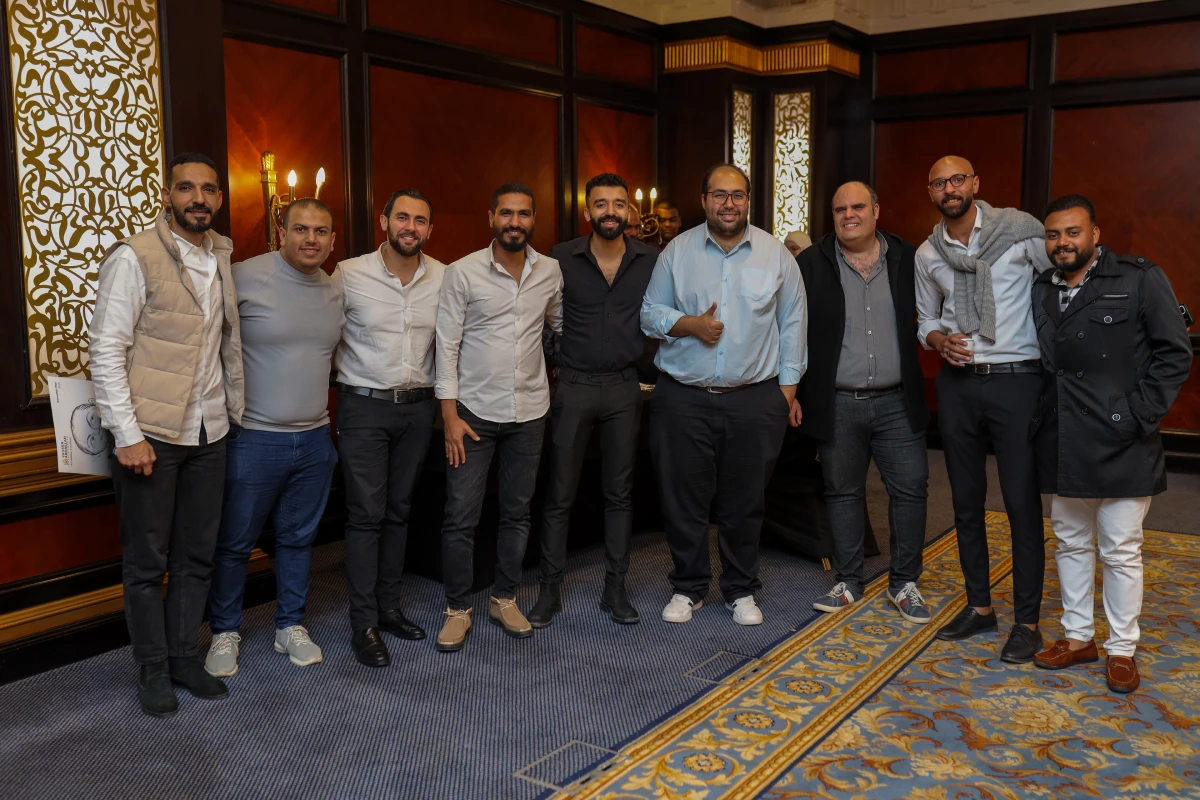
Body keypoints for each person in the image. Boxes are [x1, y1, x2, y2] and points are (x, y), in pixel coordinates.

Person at [90, 152, 241, 717]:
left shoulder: (222, 255)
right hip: (150, 433)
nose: (198, 198)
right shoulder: (134, 256)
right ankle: (152, 666)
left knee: (198, 554)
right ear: (166, 196)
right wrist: (126, 434)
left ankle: (182, 656)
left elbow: (223, 346)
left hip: (210, 430)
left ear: (219, 198)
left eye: (208, 189)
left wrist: (233, 413)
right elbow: (107, 349)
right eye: (186, 188)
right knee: (147, 562)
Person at [1029, 195, 1191, 692]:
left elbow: (1174, 353)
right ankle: (1078, 638)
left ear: (1095, 235)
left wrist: (1137, 415)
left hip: (1123, 438)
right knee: (1071, 542)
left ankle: (1122, 649)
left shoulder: (1139, 278)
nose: (1062, 243)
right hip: (1063, 437)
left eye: (1072, 232)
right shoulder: (1042, 286)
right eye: (1053, 235)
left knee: (1120, 549)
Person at [641, 164, 806, 627]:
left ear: (748, 200)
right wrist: (689, 325)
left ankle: (740, 589)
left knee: (745, 501)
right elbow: (649, 314)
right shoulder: (677, 252)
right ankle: (688, 587)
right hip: (683, 397)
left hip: (754, 399)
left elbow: (793, 327)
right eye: (719, 195)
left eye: (737, 195)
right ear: (704, 200)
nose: (728, 203)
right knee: (683, 499)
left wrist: (785, 393)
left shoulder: (776, 255)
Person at [915, 155, 1053, 664]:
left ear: (975, 182)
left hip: (1018, 381)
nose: (949, 188)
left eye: (957, 179)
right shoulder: (928, 252)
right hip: (958, 384)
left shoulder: (1020, 232)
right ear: (931, 192)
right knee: (966, 501)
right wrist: (938, 340)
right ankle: (980, 607)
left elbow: (1059, 282)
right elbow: (925, 318)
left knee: (1020, 502)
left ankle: (1027, 622)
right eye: (939, 183)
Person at [204, 198, 344, 678]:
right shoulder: (243, 277)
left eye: (320, 231)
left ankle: (290, 625)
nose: (311, 239)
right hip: (254, 438)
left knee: (298, 540)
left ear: (332, 240)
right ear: (282, 233)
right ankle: (224, 631)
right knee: (235, 543)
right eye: (301, 229)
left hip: (315, 438)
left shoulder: (336, 289)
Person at [434, 182, 563, 651]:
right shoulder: (463, 272)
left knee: (517, 513)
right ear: (491, 217)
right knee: (460, 516)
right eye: (506, 213)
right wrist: (449, 416)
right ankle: (457, 608)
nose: (515, 222)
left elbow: (559, 325)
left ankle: (504, 598)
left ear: (533, 219)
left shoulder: (550, 271)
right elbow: (446, 346)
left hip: (530, 412)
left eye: (523, 214)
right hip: (473, 415)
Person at [527, 173, 657, 628]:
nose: (610, 212)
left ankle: (615, 589)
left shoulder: (650, 260)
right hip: (575, 386)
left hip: (624, 386)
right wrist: (555, 363)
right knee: (559, 494)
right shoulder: (560, 257)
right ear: (587, 211)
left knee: (619, 494)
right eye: (601, 204)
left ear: (629, 211)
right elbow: (543, 318)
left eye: (618, 204)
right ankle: (549, 590)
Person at [799, 183, 931, 622]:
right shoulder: (811, 263)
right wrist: (792, 389)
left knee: (910, 490)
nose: (848, 215)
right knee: (842, 492)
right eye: (840, 209)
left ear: (876, 210)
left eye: (857, 206)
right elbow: (791, 328)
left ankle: (904, 583)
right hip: (838, 400)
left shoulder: (909, 258)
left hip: (898, 401)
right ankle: (849, 581)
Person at [330, 189, 444, 667]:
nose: (410, 227)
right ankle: (363, 624)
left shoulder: (444, 277)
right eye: (402, 217)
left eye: (419, 220)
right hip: (363, 407)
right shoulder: (348, 274)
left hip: (419, 409)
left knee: (399, 511)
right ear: (384, 221)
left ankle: (389, 608)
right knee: (366, 515)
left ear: (430, 229)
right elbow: (322, 336)